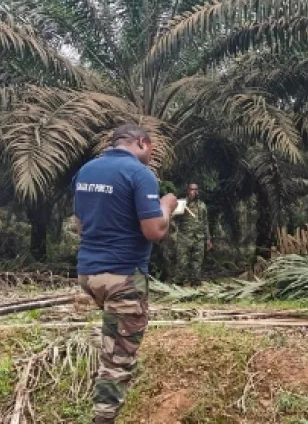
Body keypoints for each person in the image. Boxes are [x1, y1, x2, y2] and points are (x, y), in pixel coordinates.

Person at [73, 124, 178, 424]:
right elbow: (154, 230)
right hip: (122, 277)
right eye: (152, 147)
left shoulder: (87, 171)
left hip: (89, 274)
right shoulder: (140, 174)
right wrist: (166, 206)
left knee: (113, 344)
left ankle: (107, 368)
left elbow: (81, 227)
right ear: (142, 142)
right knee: (118, 361)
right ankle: (102, 418)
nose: (152, 154)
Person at [173, 182, 211, 286]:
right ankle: (179, 284)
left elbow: (205, 223)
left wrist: (208, 239)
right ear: (187, 190)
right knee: (182, 262)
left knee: (197, 262)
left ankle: (195, 283)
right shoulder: (182, 204)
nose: (194, 192)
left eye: (196, 189)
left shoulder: (202, 205)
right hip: (184, 238)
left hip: (198, 238)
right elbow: (173, 219)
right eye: (192, 189)